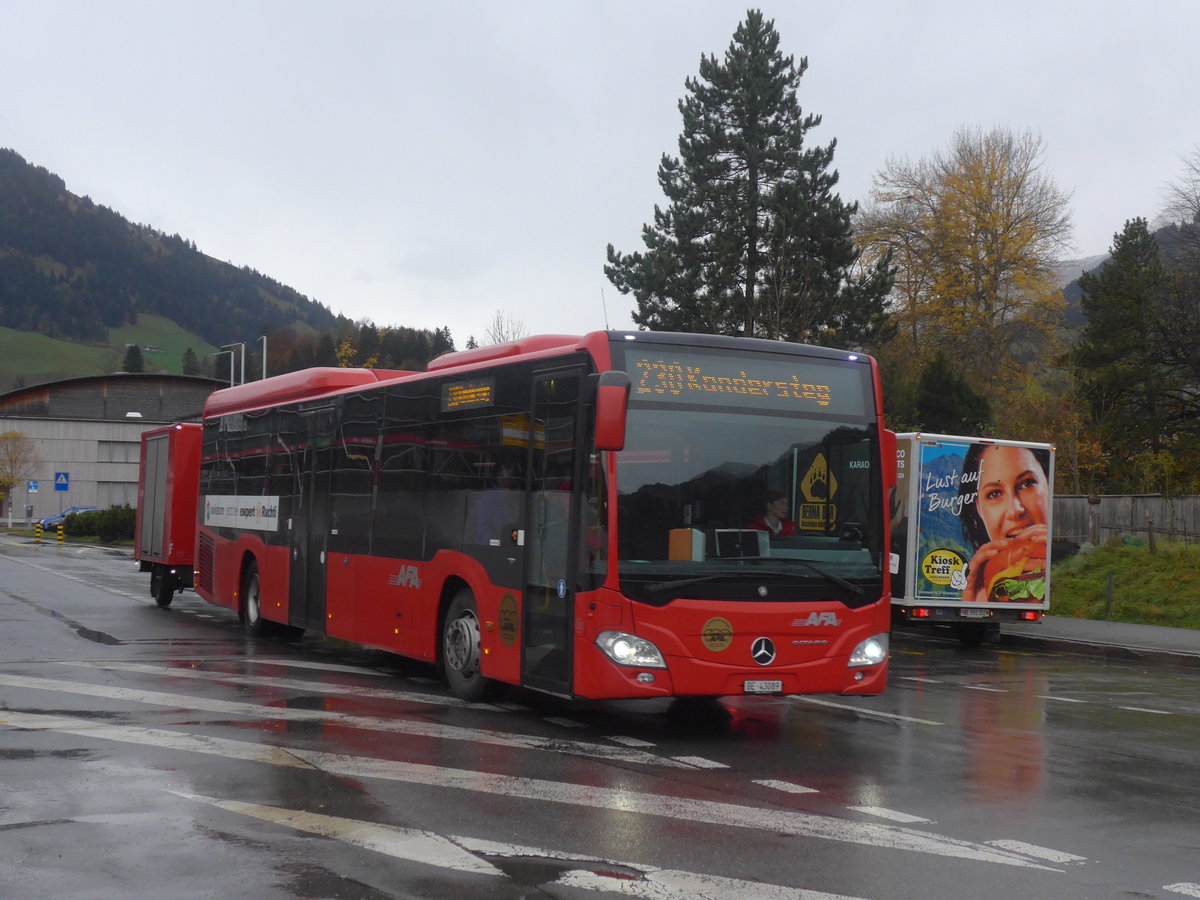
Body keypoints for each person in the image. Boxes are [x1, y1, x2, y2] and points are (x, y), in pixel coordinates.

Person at [956, 444, 1050, 602]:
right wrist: (972, 599)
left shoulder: (1072, 568)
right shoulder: (985, 589)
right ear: (978, 509)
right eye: (994, 494)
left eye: (1027, 483)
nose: (1015, 510)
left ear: (1048, 484)